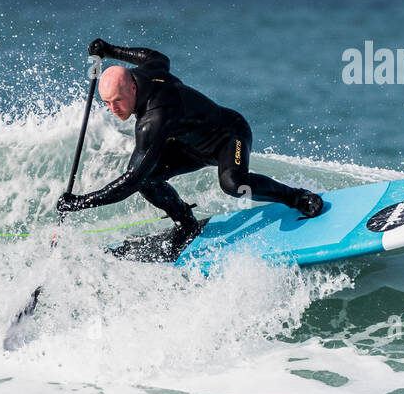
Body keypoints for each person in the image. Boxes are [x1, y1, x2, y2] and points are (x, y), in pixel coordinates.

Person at [55, 40, 325, 250]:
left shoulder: (154, 118)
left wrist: (81, 202)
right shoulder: (146, 72)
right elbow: (158, 57)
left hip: (229, 136)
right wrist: (110, 50)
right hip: (188, 147)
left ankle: (297, 197)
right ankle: (186, 223)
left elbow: (130, 181)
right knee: (149, 179)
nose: (113, 109)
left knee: (232, 184)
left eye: (118, 101)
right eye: (107, 104)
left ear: (133, 88)